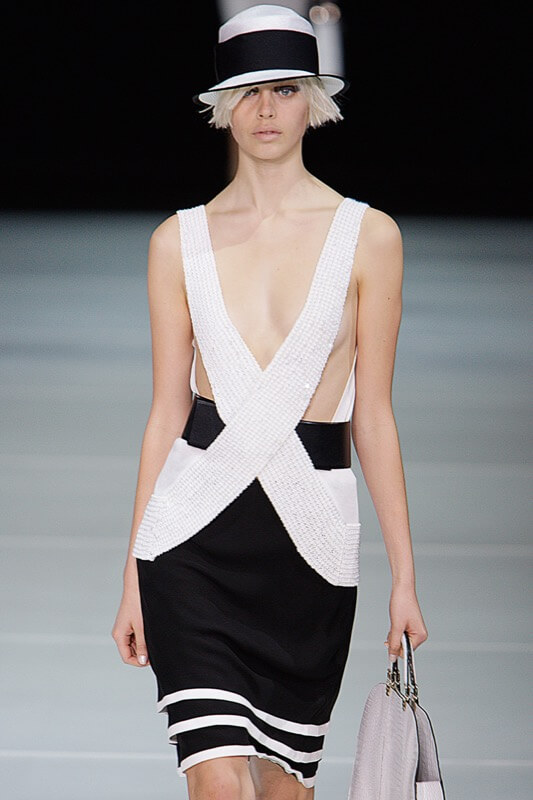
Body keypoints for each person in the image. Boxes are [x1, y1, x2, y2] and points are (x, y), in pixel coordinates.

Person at [111, 5, 428, 799]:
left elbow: (373, 415)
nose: (265, 109)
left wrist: (404, 575)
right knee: (218, 784)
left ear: (312, 101)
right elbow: (165, 411)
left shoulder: (369, 237)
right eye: (247, 91)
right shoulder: (175, 242)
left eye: (284, 89)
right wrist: (131, 575)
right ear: (222, 106)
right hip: (189, 543)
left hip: (309, 548)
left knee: (285, 792)